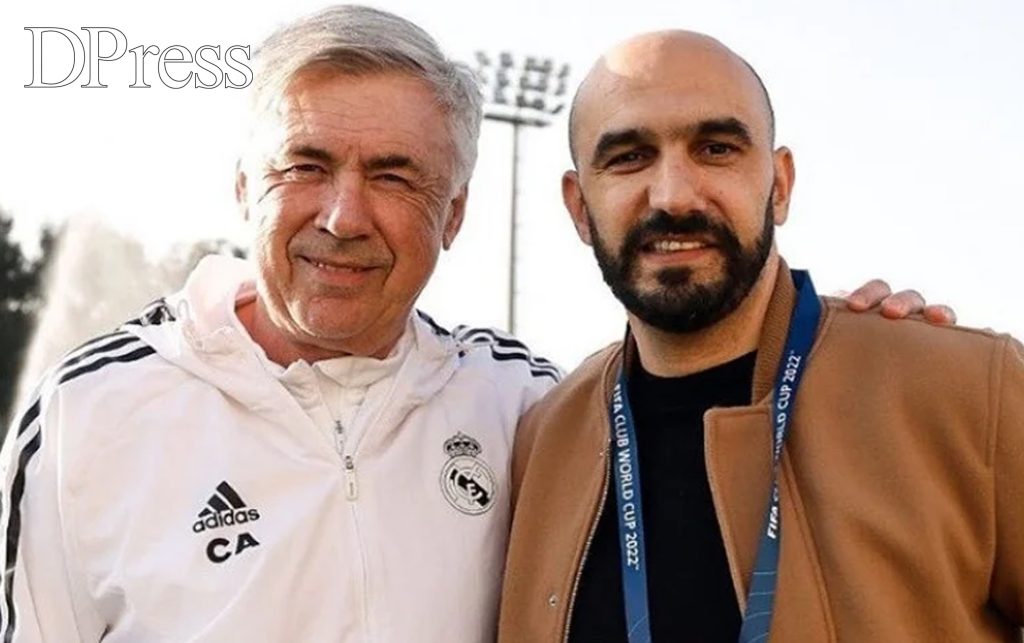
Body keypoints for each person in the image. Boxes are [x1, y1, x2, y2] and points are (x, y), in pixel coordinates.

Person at [0, 7, 950, 642]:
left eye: (394, 176)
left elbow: (716, 399)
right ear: (245, 187)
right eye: (305, 166)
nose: (343, 215)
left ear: (453, 215)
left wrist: (853, 345)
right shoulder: (89, 417)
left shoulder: (526, 407)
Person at [499, 30, 1024, 643]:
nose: (673, 196)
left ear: (779, 185)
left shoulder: (966, 390)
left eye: (716, 149)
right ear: (579, 208)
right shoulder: (542, 442)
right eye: (629, 157)